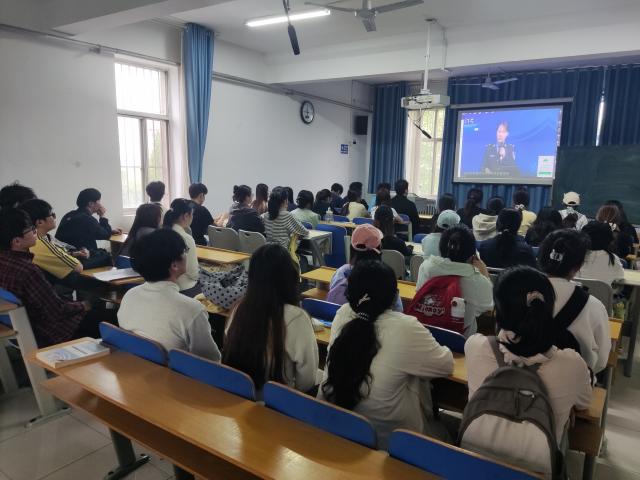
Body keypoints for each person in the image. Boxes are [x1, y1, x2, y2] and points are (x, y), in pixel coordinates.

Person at [464, 266, 592, 475]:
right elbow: (584, 403)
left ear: (498, 310)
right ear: (547, 309)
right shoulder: (572, 364)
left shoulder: (476, 346)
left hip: (472, 468)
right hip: (538, 472)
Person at [319, 260, 453, 449]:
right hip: (391, 445)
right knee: (447, 433)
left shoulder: (343, 314)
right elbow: (446, 364)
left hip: (336, 429)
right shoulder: (406, 327)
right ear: (394, 297)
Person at [0, 208, 117, 347]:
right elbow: (58, 311)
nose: (34, 231)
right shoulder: (28, 270)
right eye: (30, 229)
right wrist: (85, 304)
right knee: (115, 316)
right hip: (56, 331)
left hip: (22, 330)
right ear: (17, 241)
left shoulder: (5, 262)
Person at [223, 244, 318, 396]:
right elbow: (307, 381)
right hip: (277, 402)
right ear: (290, 277)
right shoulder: (296, 318)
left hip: (239, 394)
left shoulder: (238, 308)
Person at [118, 229, 220, 360]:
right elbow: (210, 361)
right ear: (174, 265)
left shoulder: (129, 296)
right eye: (185, 251)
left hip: (134, 365)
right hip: (173, 371)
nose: (186, 255)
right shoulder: (192, 309)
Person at [538, 229, 610, 373]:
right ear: (579, 265)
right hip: (571, 382)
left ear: (540, 258)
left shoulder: (519, 293)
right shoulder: (594, 306)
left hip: (521, 379)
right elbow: (601, 361)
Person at [417, 225, 494, 337]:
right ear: (472, 256)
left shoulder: (425, 267)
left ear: (441, 248)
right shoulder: (478, 281)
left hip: (425, 334)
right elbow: (489, 305)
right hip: (459, 342)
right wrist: (485, 273)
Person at [327, 224, 403, 311]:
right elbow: (398, 311)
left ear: (352, 249)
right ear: (379, 249)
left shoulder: (341, 272)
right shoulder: (387, 279)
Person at [19, 199, 84, 280]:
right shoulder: (38, 242)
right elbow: (78, 267)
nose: (54, 217)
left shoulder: (33, 240)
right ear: (40, 222)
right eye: (52, 215)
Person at [56, 188, 121, 268]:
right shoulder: (87, 219)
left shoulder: (69, 215)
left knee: (101, 252)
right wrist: (102, 216)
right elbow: (105, 235)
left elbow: (90, 232)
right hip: (80, 258)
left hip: (66, 257)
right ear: (91, 203)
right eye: (99, 201)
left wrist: (110, 231)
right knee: (107, 256)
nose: (100, 204)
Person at [163, 199, 200, 296]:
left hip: (165, 287)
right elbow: (193, 273)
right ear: (186, 216)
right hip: (185, 288)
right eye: (192, 214)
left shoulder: (162, 233)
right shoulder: (186, 238)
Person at [577, 221, 625, 287]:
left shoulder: (575, 256)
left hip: (575, 292)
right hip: (603, 293)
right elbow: (620, 277)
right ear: (608, 240)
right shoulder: (612, 259)